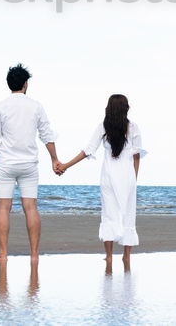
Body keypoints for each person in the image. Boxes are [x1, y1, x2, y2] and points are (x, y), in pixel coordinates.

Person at [57, 94, 145, 272]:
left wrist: (65, 165)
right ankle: (126, 256)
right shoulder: (134, 127)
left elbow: (88, 150)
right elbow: (136, 158)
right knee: (128, 215)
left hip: (108, 177)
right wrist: (134, 179)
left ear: (109, 109)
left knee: (109, 215)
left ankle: (109, 256)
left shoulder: (103, 127)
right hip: (127, 177)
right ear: (126, 108)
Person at [0, 63, 62, 265]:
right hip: (28, 164)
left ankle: (3, 253)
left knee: (3, 208)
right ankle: (34, 254)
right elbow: (47, 134)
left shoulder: (1, 106)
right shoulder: (36, 106)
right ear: (26, 84)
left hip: (6, 163)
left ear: (9, 84)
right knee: (30, 207)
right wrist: (54, 159)